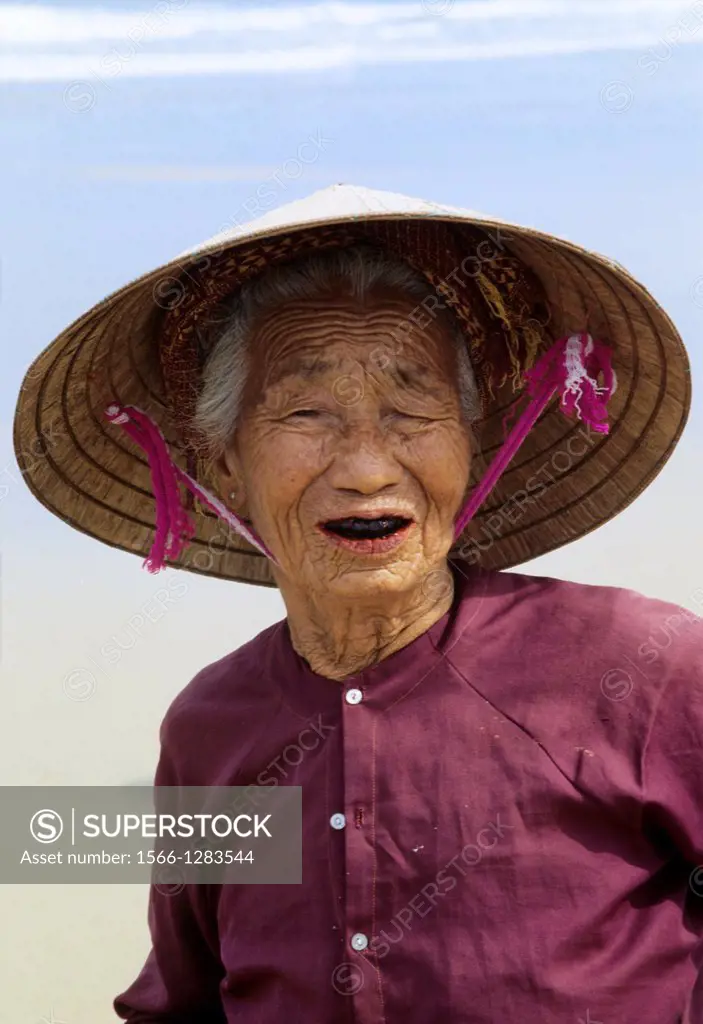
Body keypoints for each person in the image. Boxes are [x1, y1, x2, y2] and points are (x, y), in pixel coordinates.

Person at [14, 184, 702, 1022]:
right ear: (223, 466)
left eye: (412, 409)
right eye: (306, 412)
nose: (367, 467)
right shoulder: (211, 728)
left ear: (470, 447)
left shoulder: (642, 665)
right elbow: (183, 1001)